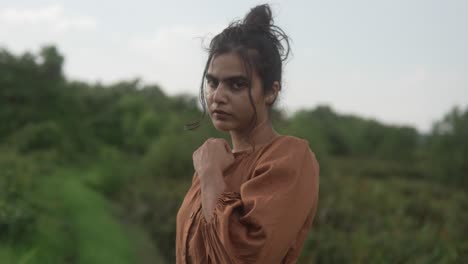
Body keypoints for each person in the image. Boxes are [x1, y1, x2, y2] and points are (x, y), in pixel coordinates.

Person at [176, 4, 320, 263]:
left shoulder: (289, 159)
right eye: (212, 82)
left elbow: (246, 255)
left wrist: (209, 174)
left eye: (237, 84)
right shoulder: (217, 159)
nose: (218, 96)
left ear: (271, 92)